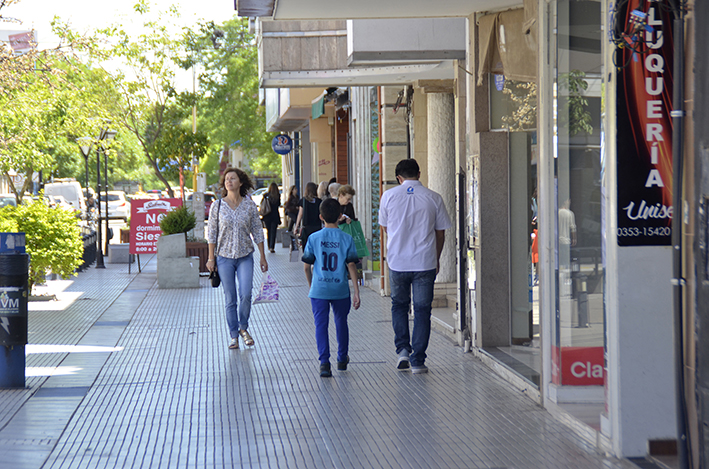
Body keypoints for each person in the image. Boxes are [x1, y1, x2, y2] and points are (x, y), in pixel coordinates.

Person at [379, 159, 451, 374]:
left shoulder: (389, 196)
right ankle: (418, 360)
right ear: (419, 174)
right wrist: (436, 258)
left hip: (398, 262)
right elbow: (441, 233)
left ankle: (402, 350)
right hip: (424, 262)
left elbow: (384, 227)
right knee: (422, 310)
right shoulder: (433, 197)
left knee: (399, 306)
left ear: (398, 177)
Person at [207, 168, 268, 350]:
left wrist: (262, 257)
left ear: (240, 182)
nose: (229, 181)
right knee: (230, 298)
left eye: (232, 178)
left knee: (246, 294)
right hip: (224, 258)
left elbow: (257, 230)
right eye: (226, 179)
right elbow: (211, 234)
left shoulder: (249, 205)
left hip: (245, 256)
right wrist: (211, 259)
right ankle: (234, 335)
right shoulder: (217, 206)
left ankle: (243, 328)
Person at [302, 198, 361, 377]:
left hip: (319, 289)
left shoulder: (313, 238)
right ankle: (342, 359)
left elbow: (306, 266)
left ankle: (324, 363)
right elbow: (351, 265)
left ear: (321, 217)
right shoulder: (347, 238)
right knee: (341, 322)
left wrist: (312, 286)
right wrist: (356, 292)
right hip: (340, 289)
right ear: (340, 216)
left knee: (321, 324)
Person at [295, 182, 322, 249]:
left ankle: (307, 258)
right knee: (316, 247)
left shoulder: (303, 201)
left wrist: (296, 226)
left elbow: (300, 214)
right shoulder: (319, 201)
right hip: (317, 227)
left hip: (307, 227)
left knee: (306, 246)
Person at [261, 182, 281, 253]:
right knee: (273, 231)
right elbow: (278, 204)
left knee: (268, 231)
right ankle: (272, 246)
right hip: (275, 216)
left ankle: (269, 246)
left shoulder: (266, 195)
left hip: (267, 216)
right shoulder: (277, 196)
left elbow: (262, 204)